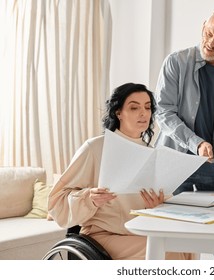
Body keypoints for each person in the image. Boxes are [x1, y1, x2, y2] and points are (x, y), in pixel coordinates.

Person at [48, 83, 193, 260]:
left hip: (141, 230)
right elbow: (56, 201)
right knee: (168, 251)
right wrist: (89, 198)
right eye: (134, 107)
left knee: (188, 246)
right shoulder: (95, 148)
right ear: (118, 113)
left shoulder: (153, 154)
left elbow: (160, 204)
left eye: (147, 107)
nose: (143, 113)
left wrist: (158, 207)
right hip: (103, 236)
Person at [154, 7, 214, 260]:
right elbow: (163, 112)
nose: (211, 42)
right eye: (209, 33)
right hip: (176, 163)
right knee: (171, 238)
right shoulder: (176, 62)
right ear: (204, 25)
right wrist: (196, 143)